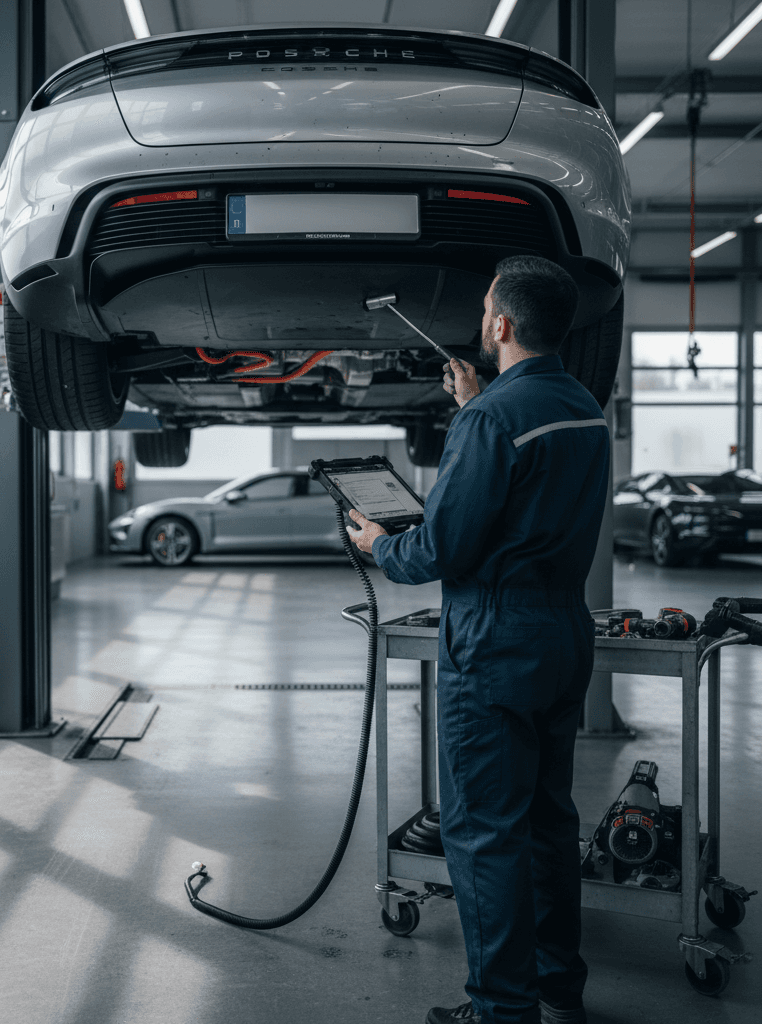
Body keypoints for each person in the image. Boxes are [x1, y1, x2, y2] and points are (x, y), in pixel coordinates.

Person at [346, 255, 610, 1024]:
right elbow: (527, 490)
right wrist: (479, 402)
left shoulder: (492, 420)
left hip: (495, 639)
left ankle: (500, 1009)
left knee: (485, 830)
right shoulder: (580, 406)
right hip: (564, 630)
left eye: (486, 309)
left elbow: (440, 549)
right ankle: (559, 986)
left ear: (499, 324)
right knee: (549, 823)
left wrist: (377, 546)